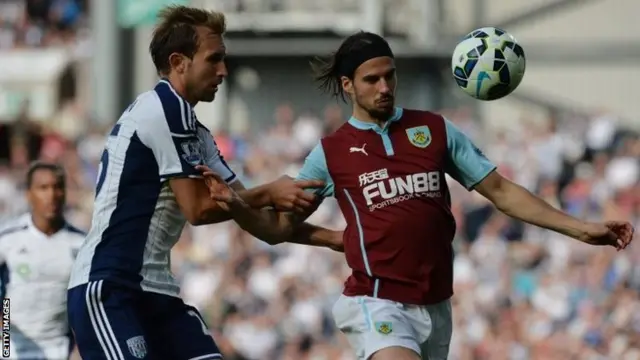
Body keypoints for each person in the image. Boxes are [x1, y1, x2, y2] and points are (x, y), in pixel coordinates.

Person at [198, 31, 635, 360]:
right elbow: (278, 230)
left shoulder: (436, 130)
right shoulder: (331, 153)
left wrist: (581, 229)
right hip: (376, 300)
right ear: (348, 85)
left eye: (390, 76)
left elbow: (502, 192)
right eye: (372, 79)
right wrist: (239, 207)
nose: (385, 87)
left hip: (436, 304)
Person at [66, 5, 341, 360]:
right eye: (214, 59)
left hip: (156, 293)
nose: (223, 70)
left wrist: (335, 239)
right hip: (111, 287)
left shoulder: (198, 134)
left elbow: (262, 223)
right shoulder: (163, 107)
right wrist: (270, 190)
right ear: (179, 61)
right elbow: (198, 209)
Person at [0, 162, 84, 360]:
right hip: (11, 342)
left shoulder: (81, 244)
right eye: (43, 188)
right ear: (29, 194)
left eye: (57, 187)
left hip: (58, 347)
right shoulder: (8, 238)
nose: (51, 195)